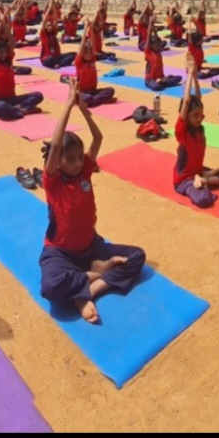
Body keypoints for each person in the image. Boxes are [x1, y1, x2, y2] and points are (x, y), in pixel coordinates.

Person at [39, 79, 146, 324]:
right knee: (51, 287)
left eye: (80, 157)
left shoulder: (85, 171)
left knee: (137, 256)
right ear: (57, 162)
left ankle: (87, 291)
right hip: (61, 254)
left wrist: (83, 109)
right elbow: (56, 144)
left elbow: (97, 138)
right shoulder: (53, 183)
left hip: (92, 248)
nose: (78, 163)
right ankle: (93, 273)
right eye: (71, 159)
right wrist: (67, 105)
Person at [174, 60, 219, 207]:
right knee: (203, 199)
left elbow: (198, 97)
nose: (200, 118)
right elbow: (186, 102)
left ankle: (205, 179)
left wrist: (196, 76)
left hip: (200, 173)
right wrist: (191, 73)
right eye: (195, 116)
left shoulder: (198, 130)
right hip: (184, 180)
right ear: (186, 116)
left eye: (201, 115)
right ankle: (204, 180)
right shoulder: (183, 132)